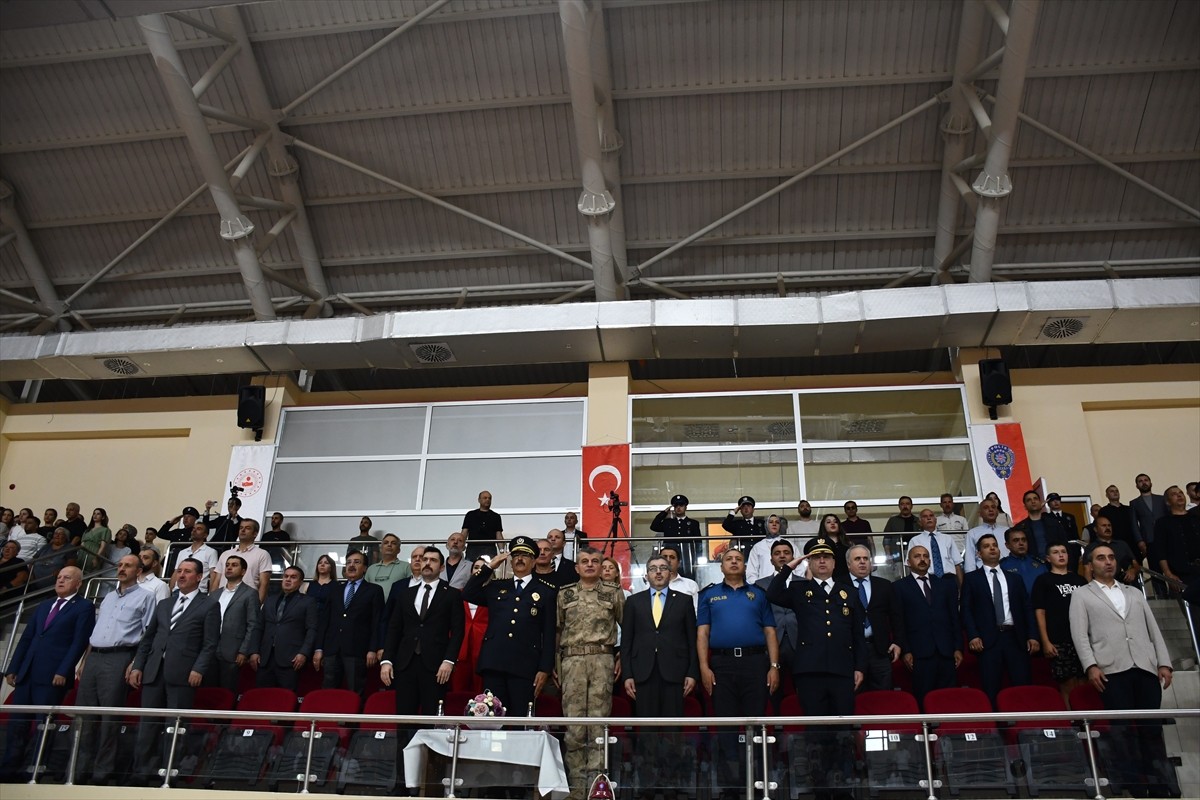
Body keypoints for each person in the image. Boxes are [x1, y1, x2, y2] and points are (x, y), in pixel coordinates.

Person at [1070, 543, 1175, 796]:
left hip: (1145, 667)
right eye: (1101, 558)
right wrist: (1091, 666)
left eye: (1111, 557)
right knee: (1123, 731)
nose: (1108, 562)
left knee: (1152, 730)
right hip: (1111, 670)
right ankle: (1136, 788)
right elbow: (1080, 635)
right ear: (1090, 565)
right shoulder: (1082, 595)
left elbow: (1153, 630)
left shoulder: (1134, 593)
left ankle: (1160, 786)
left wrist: (1164, 662)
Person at [767, 537, 864, 798]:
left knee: (843, 732)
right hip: (810, 672)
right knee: (816, 733)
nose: (822, 561)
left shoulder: (848, 592)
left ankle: (844, 786)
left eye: (827, 557)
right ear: (809, 561)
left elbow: (857, 634)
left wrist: (860, 667)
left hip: (843, 671)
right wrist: (790, 566)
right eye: (816, 557)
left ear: (834, 562)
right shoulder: (800, 590)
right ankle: (820, 787)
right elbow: (773, 593)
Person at [128, 558, 220, 784]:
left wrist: (199, 668)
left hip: (183, 673)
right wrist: (138, 665)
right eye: (179, 571)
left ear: (199, 577)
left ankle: (169, 773)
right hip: (153, 672)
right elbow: (148, 639)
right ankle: (140, 773)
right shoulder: (165, 604)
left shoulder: (208, 604)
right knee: (147, 726)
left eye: (187, 571)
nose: (181, 575)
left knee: (175, 727)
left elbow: (210, 643)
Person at [698, 548, 779, 795]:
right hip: (721, 666)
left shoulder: (758, 594)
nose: (733, 562)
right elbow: (702, 633)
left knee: (755, 723)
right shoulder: (709, 595)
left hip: (755, 664)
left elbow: (770, 633)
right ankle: (730, 787)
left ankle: (757, 782)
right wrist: (704, 666)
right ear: (721, 566)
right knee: (727, 726)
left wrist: (774, 667)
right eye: (728, 559)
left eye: (738, 559)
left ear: (745, 566)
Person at [1, 567, 95, 779]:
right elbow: (27, 638)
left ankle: (34, 769)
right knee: (17, 724)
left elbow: (79, 642)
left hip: (53, 676)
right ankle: (9, 769)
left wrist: (64, 670)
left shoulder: (84, 607)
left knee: (44, 725)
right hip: (27, 674)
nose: (60, 581)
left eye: (67, 578)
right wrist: (14, 667)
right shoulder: (44, 605)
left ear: (78, 583)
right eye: (59, 577)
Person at [74, 554, 156, 785]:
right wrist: (84, 661)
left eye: (127, 566)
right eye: (120, 565)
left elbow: (148, 635)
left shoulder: (146, 598)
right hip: (95, 657)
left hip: (120, 658)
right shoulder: (108, 596)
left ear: (139, 571)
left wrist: (135, 663)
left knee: (109, 719)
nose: (121, 569)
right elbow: (97, 631)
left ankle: (102, 772)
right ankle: (78, 769)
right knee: (84, 717)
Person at [621, 554, 698, 789]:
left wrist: (692, 672)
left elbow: (692, 640)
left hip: (674, 673)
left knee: (673, 731)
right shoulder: (634, 602)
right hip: (643, 673)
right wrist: (627, 675)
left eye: (663, 568)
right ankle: (647, 785)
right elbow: (627, 641)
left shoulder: (684, 600)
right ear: (646, 574)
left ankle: (673, 784)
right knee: (646, 731)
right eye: (653, 568)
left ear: (670, 572)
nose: (658, 572)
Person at [462, 536, 557, 717]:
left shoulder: (546, 591)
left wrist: (544, 669)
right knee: (493, 719)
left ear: (534, 560)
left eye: (525, 555)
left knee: (522, 719)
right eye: (516, 555)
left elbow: (549, 632)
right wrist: (489, 567)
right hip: (494, 663)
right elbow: (468, 592)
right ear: (511, 560)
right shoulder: (497, 587)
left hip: (525, 666)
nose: (520, 559)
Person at [556, 548, 625, 798]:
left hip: (602, 659)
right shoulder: (565, 594)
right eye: (584, 562)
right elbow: (556, 630)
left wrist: (622, 658)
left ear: (601, 566)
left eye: (595, 562)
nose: (589, 565)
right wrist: (555, 663)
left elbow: (627, 627)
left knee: (597, 726)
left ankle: (598, 788)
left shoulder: (613, 592)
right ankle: (576, 789)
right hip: (572, 661)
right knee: (574, 727)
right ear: (577, 567)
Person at [381, 547, 465, 733]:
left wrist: (449, 661)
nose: (427, 563)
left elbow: (458, 631)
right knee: (404, 721)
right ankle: (403, 762)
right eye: (425, 559)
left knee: (431, 721)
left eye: (433, 560)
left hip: (436, 666)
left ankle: (429, 762)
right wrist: (387, 660)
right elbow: (394, 629)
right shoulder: (406, 594)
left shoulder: (451, 594)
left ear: (441, 567)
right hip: (405, 664)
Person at [961, 533, 1039, 706]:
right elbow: (966, 609)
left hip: (1015, 638)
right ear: (979, 554)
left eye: (994, 545)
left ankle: (1026, 727)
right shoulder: (972, 579)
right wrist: (973, 635)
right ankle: (996, 728)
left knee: (1022, 685)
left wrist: (1032, 635)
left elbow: (1026, 608)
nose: (992, 548)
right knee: (991, 688)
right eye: (986, 546)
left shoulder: (1014, 578)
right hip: (988, 641)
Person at [894, 544, 961, 706]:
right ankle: (927, 731)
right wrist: (906, 651)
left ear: (930, 561)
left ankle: (948, 731)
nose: (922, 559)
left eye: (925, 556)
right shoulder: (899, 587)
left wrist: (958, 647)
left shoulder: (945, 585)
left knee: (948, 698)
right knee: (924, 698)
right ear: (908, 562)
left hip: (946, 651)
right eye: (917, 556)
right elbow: (899, 622)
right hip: (919, 653)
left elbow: (955, 618)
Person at [314, 550, 384, 695]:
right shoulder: (335, 589)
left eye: (357, 562)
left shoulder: (374, 590)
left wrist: (373, 649)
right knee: (327, 692)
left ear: (365, 568)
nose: (351, 566)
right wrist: (319, 648)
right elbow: (324, 621)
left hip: (357, 650)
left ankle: (353, 719)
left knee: (355, 691)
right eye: (348, 563)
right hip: (332, 649)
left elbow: (377, 621)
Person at [1031, 542, 1087, 705]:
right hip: (1058, 639)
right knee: (1067, 684)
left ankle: (1088, 722)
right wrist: (1046, 641)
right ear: (1048, 558)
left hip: (1082, 638)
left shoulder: (1080, 579)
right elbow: (1039, 612)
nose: (1061, 555)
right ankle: (1072, 722)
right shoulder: (1043, 580)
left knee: (1084, 682)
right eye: (1056, 552)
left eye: (1063, 552)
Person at [846, 544, 903, 691]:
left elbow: (896, 616)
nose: (862, 562)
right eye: (857, 559)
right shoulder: (839, 585)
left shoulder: (884, 585)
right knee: (854, 696)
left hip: (879, 650)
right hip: (850, 652)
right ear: (848, 564)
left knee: (884, 697)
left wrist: (897, 642)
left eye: (866, 558)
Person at [252, 565, 318, 690]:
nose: (288, 580)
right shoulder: (270, 600)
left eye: (293, 577)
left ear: (300, 582)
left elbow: (312, 629)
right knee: (262, 698)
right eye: (286, 576)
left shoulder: (308, 602)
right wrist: (254, 651)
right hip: (265, 659)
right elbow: (258, 627)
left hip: (291, 660)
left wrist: (303, 653)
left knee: (285, 699)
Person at [754, 539, 798, 711]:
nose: (782, 556)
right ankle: (774, 734)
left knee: (804, 691)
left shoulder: (804, 582)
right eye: (777, 554)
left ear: (793, 556)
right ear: (771, 559)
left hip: (799, 643)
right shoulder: (760, 585)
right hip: (771, 645)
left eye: (786, 553)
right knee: (772, 692)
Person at [211, 555, 261, 693]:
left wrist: (244, 650)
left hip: (233, 650)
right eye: (227, 565)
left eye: (234, 565)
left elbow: (253, 624)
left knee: (228, 691)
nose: (229, 567)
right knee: (209, 691)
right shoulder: (215, 594)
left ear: (243, 571)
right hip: (211, 648)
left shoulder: (250, 593)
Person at [1154, 484, 1200, 597]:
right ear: (1168, 502)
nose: (1179, 496)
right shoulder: (1163, 523)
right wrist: (1169, 574)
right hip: (1183, 574)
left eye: (1180, 493)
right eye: (1174, 494)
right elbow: (1161, 551)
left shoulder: (1196, 518)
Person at [213, 519, 272, 603]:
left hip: (246, 601)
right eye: (241, 528)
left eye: (247, 528)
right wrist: (211, 601)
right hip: (221, 599)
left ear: (255, 533)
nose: (243, 530)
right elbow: (216, 580)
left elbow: (264, 584)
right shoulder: (226, 554)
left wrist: (257, 606)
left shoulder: (262, 554)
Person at [650, 494, 702, 580]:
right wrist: (663, 513)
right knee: (668, 577)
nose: (678, 508)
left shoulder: (693, 523)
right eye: (676, 505)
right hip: (670, 557)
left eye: (681, 505)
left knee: (688, 579)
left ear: (686, 507)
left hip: (686, 557)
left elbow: (698, 541)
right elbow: (654, 526)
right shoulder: (668, 522)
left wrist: (698, 557)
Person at [908, 508, 962, 584]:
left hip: (949, 579)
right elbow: (911, 566)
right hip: (928, 580)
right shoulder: (915, 540)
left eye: (931, 516)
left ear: (936, 520)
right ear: (920, 522)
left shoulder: (947, 538)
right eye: (925, 516)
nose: (929, 518)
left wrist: (961, 587)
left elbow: (957, 564)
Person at [1083, 514, 1141, 585]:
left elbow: (1136, 565)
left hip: (1126, 586)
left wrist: (1133, 570)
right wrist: (1090, 590)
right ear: (1095, 529)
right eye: (1103, 526)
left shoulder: (1122, 544)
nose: (1107, 528)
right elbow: (1088, 570)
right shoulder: (1090, 547)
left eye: (1109, 525)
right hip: (1102, 587)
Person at [171, 520, 219, 594]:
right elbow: (176, 572)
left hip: (198, 592)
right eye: (193, 528)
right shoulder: (182, 552)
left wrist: (211, 594)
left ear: (205, 535)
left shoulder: (211, 552)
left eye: (199, 529)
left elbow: (213, 574)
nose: (194, 530)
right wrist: (171, 590)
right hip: (178, 591)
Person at [745, 514, 795, 584]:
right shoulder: (758, 547)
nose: (774, 524)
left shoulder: (790, 545)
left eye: (777, 522)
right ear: (766, 525)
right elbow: (751, 572)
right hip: (764, 588)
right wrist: (757, 587)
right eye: (771, 522)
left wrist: (795, 584)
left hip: (789, 586)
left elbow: (799, 567)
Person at [964, 498, 1008, 572]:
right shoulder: (972, 533)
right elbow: (970, 561)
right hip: (985, 573)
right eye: (986, 508)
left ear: (997, 511)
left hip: (1009, 571)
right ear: (980, 514)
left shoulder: (1007, 531)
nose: (990, 510)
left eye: (993, 507)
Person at [999, 527, 1047, 594]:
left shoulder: (1039, 563)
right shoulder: (1002, 566)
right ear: (1007, 545)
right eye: (1016, 540)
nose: (1021, 543)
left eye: (1024, 540)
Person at [1130, 473, 1167, 559]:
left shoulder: (1161, 499)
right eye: (1140, 481)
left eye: (1146, 480)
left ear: (1151, 483)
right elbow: (1134, 524)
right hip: (1149, 539)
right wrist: (1140, 541)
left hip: (1165, 537)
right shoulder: (1134, 503)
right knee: (1155, 568)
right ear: (1137, 486)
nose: (1144, 483)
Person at [365, 533, 412, 600]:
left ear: (398, 550)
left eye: (393, 543)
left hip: (396, 608)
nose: (389, 545)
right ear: (381, 549)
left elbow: (410, 590)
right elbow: (364, 591)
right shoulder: (371, 569)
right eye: (386, 543)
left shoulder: (406, 567)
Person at [461, 490, 504, 562]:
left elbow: (498, 534)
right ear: (479, 500)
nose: (487, 500)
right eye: (485, 498)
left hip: (490, 549)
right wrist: (461, 545)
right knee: (470, 570)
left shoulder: (496, 516)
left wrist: (502, 551)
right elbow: (464, 533)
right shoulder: (470, 515)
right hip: (473, 548)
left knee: (489, 570)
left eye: (489, 498)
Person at [654, 544, 699, 610]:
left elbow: (696, 611)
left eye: (672, 557)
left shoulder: (690, 585)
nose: (668, 560)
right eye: (664, 557)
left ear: (678, 563)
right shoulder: (650, 584)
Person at [1099, 484, 1139, 553]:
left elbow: (1135, 526)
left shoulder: (1128, 509)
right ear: (1107, 495)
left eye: (1116, 491)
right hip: (1114, 545)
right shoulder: (1104, 511)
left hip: (1132, 544)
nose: (1115, 492)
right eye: (1112, 491)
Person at [882, 495, 920, 563]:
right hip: (897, 555)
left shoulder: (918, 521)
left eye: (907, 504)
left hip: (916, 554)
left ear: (911, 506)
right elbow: (886, 539)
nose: (905, 506)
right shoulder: (893, 520)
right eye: (902, 504)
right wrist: (888, 556)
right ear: (899, 506)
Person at [301, 553, 339, 618]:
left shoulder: (337, 586)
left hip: (327, 621)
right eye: (320, 563)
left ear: (331, 567)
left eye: (326, 563)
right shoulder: (308, 585)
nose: (322, 565)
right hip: (308, 620)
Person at [816, 513, 852, 580]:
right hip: (825, 579)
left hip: (846, 579)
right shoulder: (819, 545)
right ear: (823, 526)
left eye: (835, 522)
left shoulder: (847, 544)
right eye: (828, 522)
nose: (832, 524)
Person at [78, 507, 112, 573]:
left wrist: (97, 557)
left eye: (98, 514)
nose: (95, 515)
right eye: (94, 513)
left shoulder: (105, 530)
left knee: (89, 571)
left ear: (103, 517)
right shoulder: (87, 530)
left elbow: (103, 546)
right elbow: (82, 543)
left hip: (94, 552)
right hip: (83, 552)